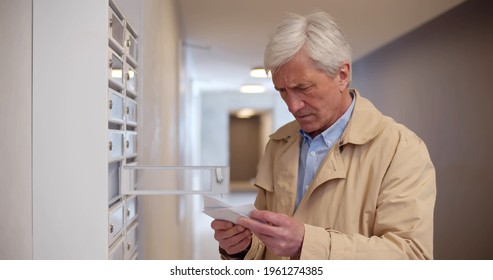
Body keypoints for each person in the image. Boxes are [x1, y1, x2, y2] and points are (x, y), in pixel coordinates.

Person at [211, 11, 436, 260]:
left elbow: (412, 257)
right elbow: (267, 245)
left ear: (342, 75)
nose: (292, 105)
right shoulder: (278, 144)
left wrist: (307, 244)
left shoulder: (400, 149)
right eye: (282, 91)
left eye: (302, 88)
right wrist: (242, 247)